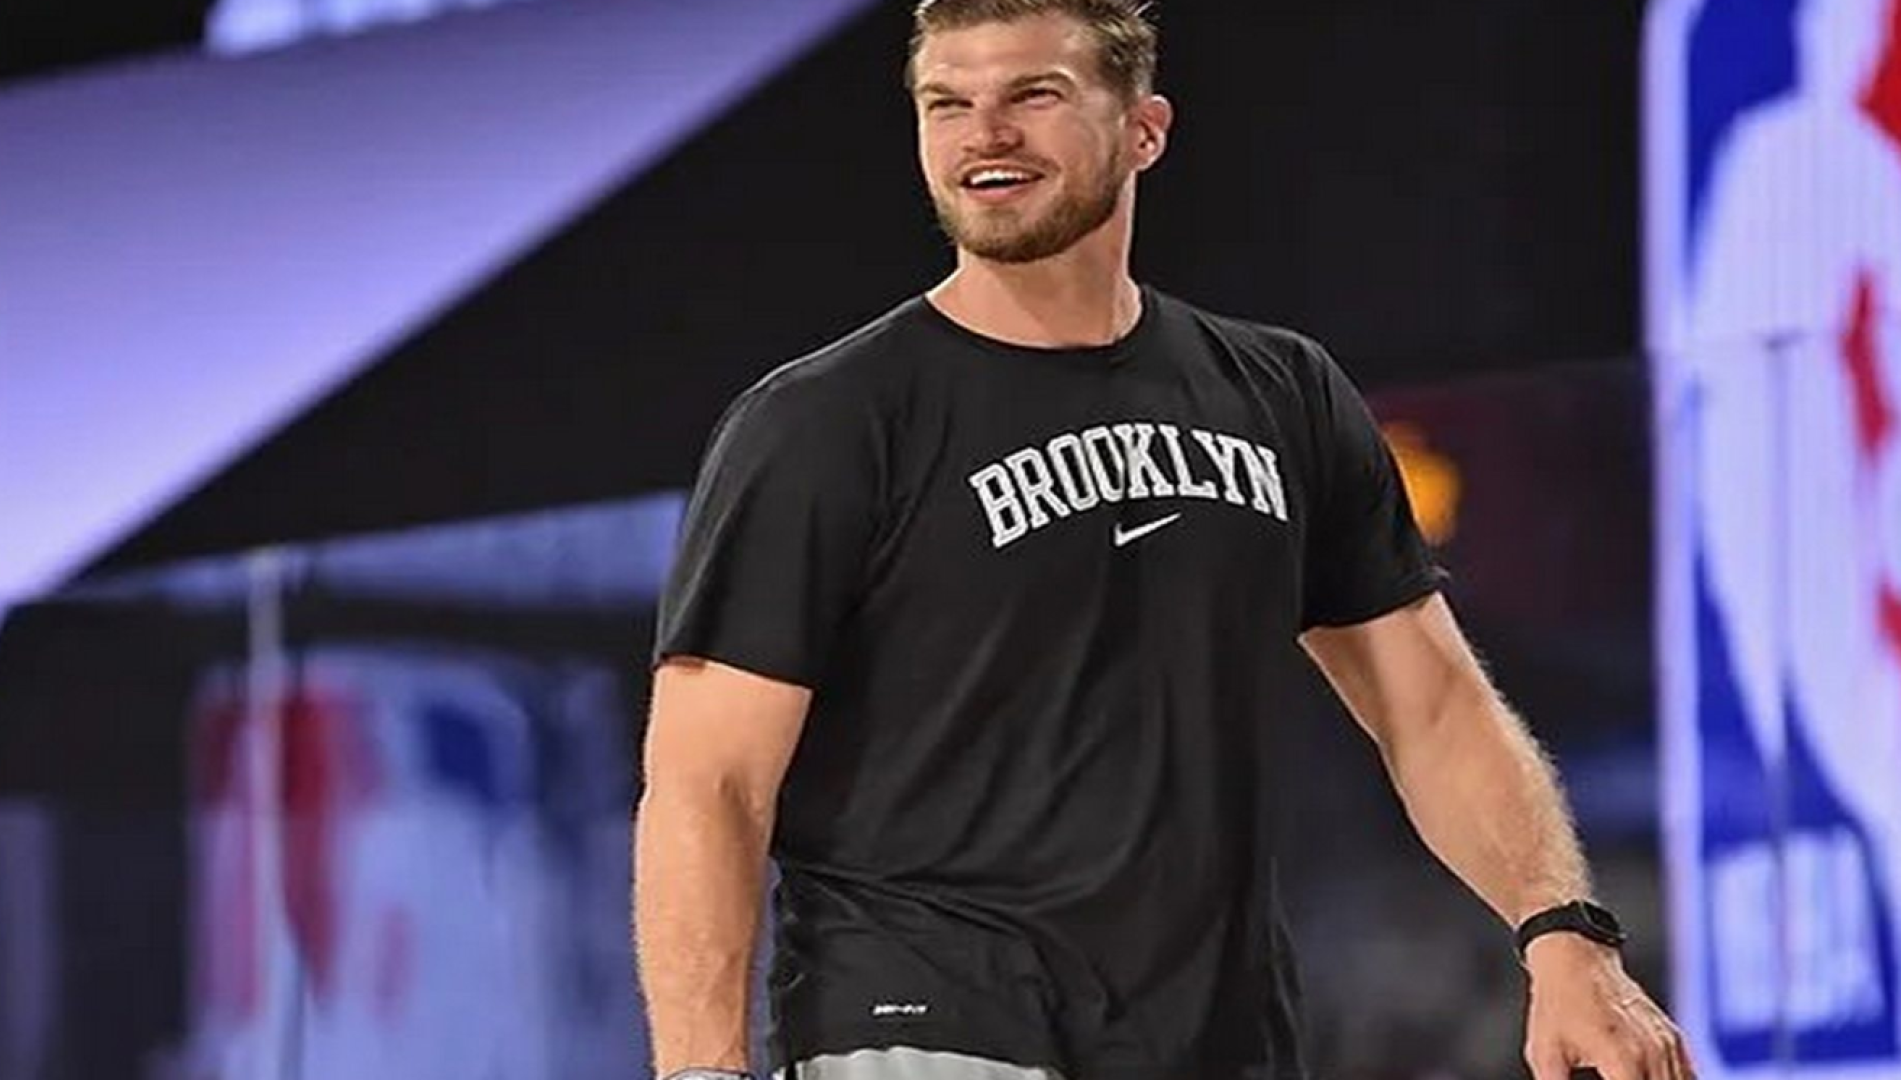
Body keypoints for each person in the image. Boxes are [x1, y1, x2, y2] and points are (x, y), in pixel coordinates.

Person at [635, 3, 1695, 1079]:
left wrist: (1565, 935)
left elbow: (1431, 708)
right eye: (947, 104)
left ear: (1144, 130)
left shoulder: (1279, 392)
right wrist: (702, 1070)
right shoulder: (825, 420)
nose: (984, 134)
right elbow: (707, 782)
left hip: (1218, 1038)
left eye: (1033, 95)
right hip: (927, 1022)